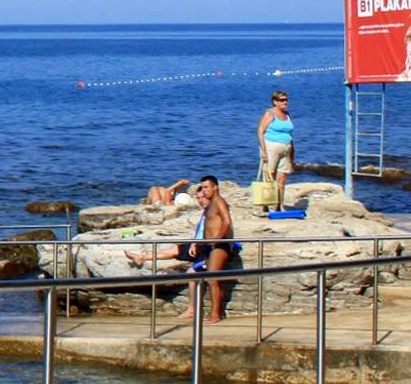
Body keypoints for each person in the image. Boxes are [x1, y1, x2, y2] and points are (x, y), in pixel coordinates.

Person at [124, 176, 237, 321]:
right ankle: (214, 313)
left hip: (218, 246)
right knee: (210, 280)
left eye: (207, 187)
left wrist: (217, 239)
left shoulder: (219, 201)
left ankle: (215, 315)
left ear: (215, 187)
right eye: (202, 187)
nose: (204, 190)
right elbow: (209, 226)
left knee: (213, 280)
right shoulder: (210, 204)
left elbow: (227, 221)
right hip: (208, 246)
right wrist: (198, 243)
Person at [256, 90, 296, 205]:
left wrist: (292, 155)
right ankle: (266, 204)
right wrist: (263, 151)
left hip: (286, 149)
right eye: (282, 100)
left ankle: (280, 205)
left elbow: (290, 135)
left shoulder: (287, 115)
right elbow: (260, 131)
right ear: (275, 101)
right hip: (271, 147)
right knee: (270, 176)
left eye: (286, 100)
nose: (285, 102)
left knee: (282, 178)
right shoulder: (270, 114)